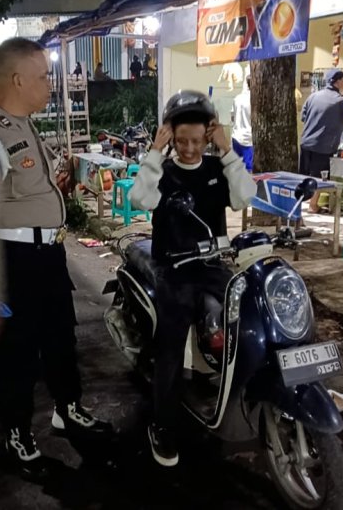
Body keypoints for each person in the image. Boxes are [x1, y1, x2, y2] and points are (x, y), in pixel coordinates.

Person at [0, 37, 111, 481]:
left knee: (62, 340)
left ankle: (68, 411)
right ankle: (17, 433)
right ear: (18, 79)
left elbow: (26, 193)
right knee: (17, 355)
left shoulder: (23, 127)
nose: (50, 85)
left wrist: (56, 191)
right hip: (15, 264)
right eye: (43, 77)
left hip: (48, 258)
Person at [129, 90, 255, 467]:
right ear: (170, 137)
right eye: (180, 141)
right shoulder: (162, 173)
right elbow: (139, 200)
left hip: (214, 265)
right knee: (169, 348)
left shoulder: (218, 170)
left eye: (196, 141)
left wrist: (228, 151)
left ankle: (247, 396)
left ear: (207, 136)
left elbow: (246, 197)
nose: (187, 148)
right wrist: (154, 152)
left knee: (249, 318)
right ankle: (161, 424)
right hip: (174, 269)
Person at [300, 69, 343, 212]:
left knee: (303, 175)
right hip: (322, 145)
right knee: (319, 177)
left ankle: (300, 203)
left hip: (306, 142)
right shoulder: (340, 101)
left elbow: (303, 117)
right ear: (338, 81)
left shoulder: (313, 96)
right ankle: (313, 205)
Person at [231, 78, 253, 172]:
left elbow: (232, 117)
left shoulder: (237, 98)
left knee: (236, 168)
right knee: (248, 169)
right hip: (249, 139)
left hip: (236, 136)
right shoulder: (254, 100)